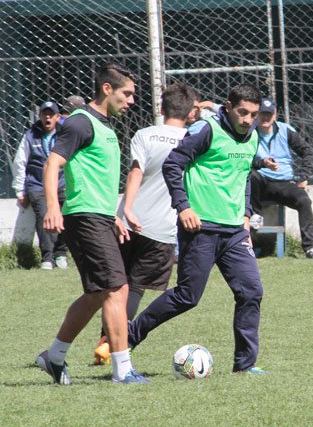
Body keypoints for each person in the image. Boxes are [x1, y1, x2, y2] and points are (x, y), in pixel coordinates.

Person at [128, 84, 268, 374]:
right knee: (187, 297)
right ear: (228, 107)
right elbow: (172, 164)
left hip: (234, 232)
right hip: (201, 228)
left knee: (251, 291)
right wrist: (183, 207)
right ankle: (128, 337)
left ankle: (245, 366)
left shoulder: (253, 137)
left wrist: (245, 214)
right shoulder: (206, 130)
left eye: (253, 115)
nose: (247, 120)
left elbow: (243, 176)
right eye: (242, 112)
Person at [36, 63, 149, 384]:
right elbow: (52, 164)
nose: (131, 101)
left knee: (98, 293)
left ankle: (54, 356)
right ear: (107, 89)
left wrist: (113, 216)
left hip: (99, 217)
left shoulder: (104, 126)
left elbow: (95, 179)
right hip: (83, 216)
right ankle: (123, 369)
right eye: (127, 93)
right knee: (117, 289)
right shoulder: (80, 122)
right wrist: (53, 207)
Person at [93, 82, 197, 365]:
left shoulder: (145, 134)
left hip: (128, 221)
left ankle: (105, 339)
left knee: (116, 285)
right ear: (191, 112)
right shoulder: (195, 139)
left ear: (161, 108)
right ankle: (110, 344)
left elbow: (136, 172)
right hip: (163, 228)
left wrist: (127, 208)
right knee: (136, 287)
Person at [250, 97, 313, 259]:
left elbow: (307, 152)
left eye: (269, 114)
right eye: (262, 114)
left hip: (283, 182)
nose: (265, 118)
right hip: (259, 182)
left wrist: (302, 176)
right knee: (251, 175)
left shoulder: (285, 130)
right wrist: (262, 163)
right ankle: (255, 217)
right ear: (256, 115)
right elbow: (242, 159)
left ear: (275, 115)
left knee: (304, 201)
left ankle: (310, 247)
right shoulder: (249, 133)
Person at [11, 101, 68, 270]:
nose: (47, 117)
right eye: (44, 114)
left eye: (51, 114)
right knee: (44, 216)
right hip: (37, 185)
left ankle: (61, 253)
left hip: (62, 183)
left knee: (66, 215)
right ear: (40, 116)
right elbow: (20, 162)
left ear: (58, 117)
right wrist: (20, 190)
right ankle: (47, 257)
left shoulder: (65, 134)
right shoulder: (30, 135)